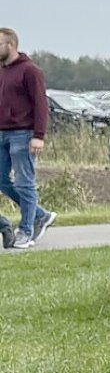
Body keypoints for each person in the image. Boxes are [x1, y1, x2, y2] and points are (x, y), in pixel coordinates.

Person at [0, 27, 56, 249]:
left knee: (25, 183)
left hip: (23, 134)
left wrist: (38, 135)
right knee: (2, 180)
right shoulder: (2, 71)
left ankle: (26, 230)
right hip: (2, 133)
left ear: (11, 45)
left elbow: (41, 105)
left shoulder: (30, 71)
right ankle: (40, 215)